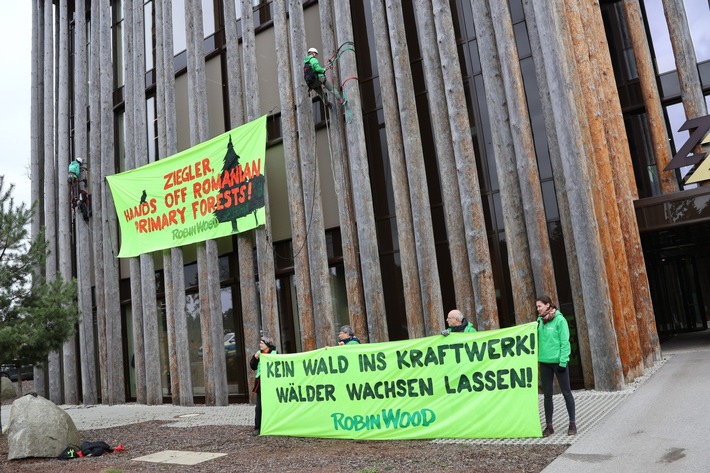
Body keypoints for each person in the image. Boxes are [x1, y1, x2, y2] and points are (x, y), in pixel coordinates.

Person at [536, 295, 577, 437]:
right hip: (544, 362)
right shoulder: (539, 322)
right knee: (547, 395)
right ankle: (549, 426)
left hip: (559, 363)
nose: (538, 309)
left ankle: (572, 423)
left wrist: (563, 361)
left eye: (540, 306)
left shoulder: (560, 320)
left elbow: (565, 342)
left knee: (566, 392)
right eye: (537, 307)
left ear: (548, 305)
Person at [249, 336, 277, 436]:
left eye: (262, 343)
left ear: (267, 344)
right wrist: (255, 358)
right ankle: (258, 428)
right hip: (261, 382)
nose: (260, 345)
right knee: (259, 406)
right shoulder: (258, 353)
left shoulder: (275, 354)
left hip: (272, 382)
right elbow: (253, 366)